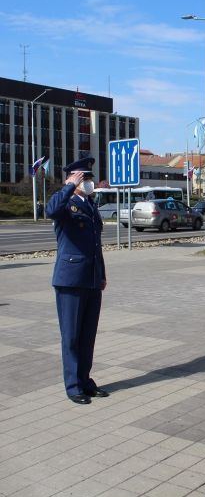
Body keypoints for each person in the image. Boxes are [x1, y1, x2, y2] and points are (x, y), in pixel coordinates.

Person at [45, 156, 108, 404]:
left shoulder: (90, 206)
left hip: (91, 279)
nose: (88, 181)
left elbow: (96, 245)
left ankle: (85, 381)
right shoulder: (65, 204)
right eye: (84, 177)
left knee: (87, 335)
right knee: (71, 336)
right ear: (72, 179)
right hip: (70, 280)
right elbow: (50, 210)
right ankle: (73, 386)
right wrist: (69, 186)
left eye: (89, 177)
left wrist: (102, 274)